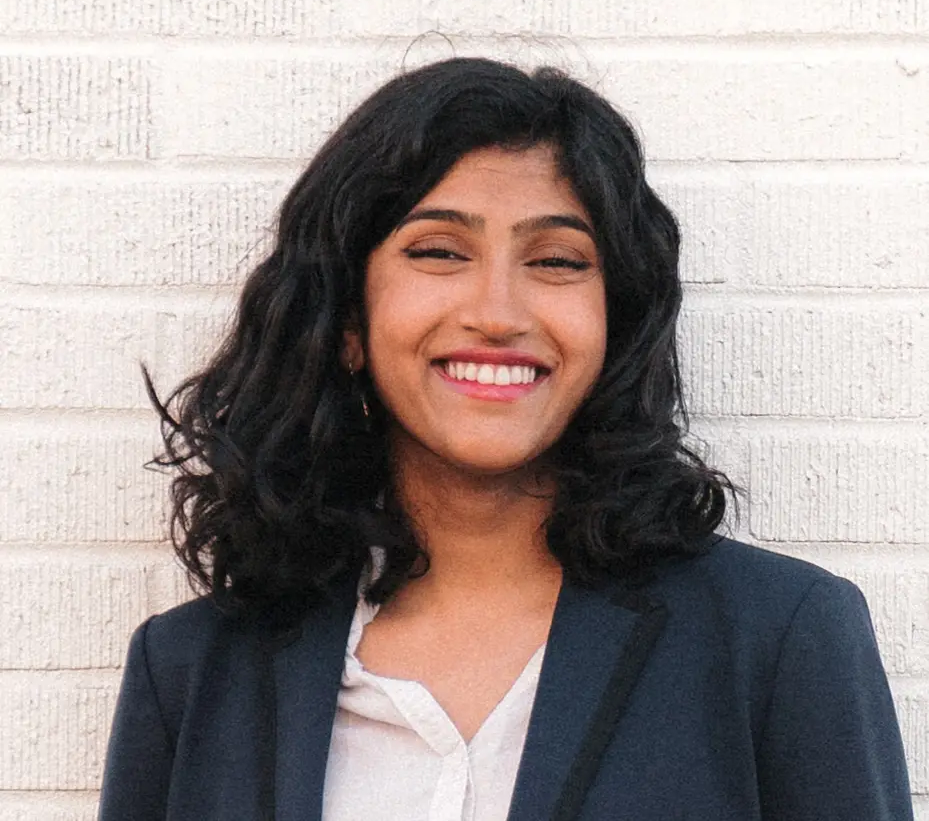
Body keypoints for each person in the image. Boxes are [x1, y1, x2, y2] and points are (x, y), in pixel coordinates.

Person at [98, 57, 914, 821]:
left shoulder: (776, 638)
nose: (496, 313)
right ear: (350, 320)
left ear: (613, 320)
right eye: (439, 251)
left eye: (556, 261)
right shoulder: (194, 673)